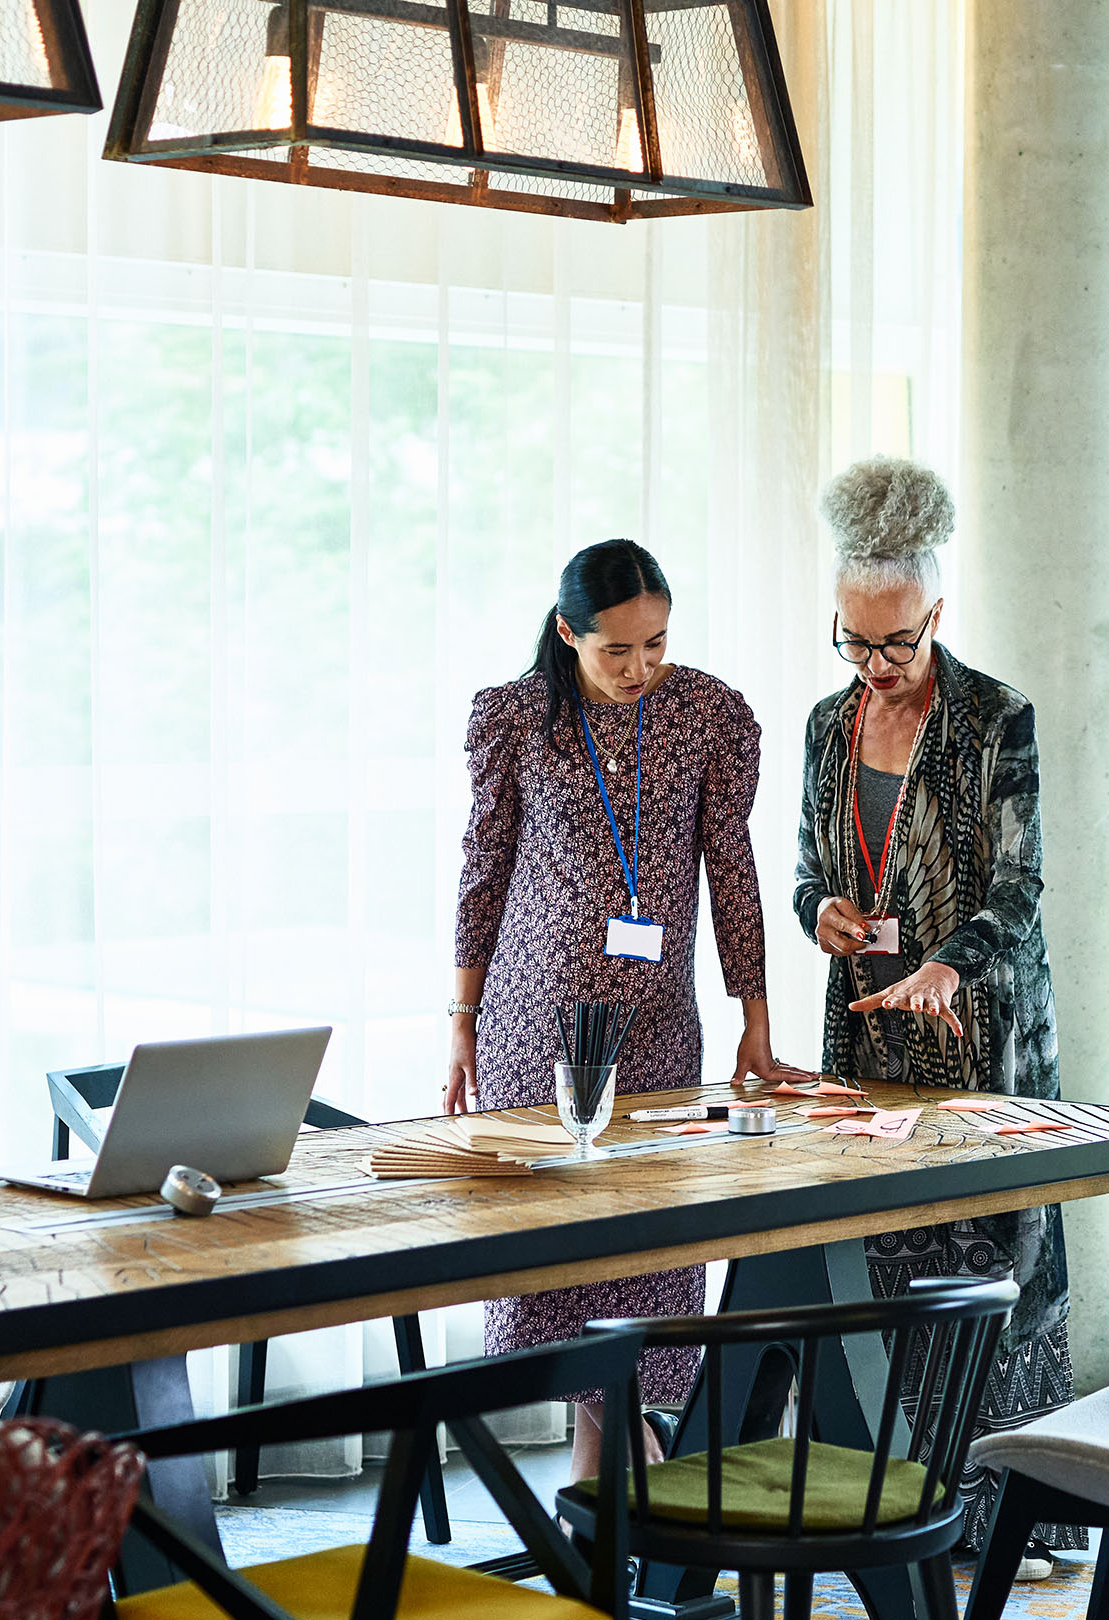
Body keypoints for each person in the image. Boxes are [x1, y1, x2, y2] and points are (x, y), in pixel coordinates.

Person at [447, 537, 805, 1483]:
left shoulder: (707, 714)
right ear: (569, 634)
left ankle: (607, 1479)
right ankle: (614, 1469)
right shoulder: (515, 719)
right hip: (535, 1027)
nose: (642, 669)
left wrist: (754, 1011)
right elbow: (483, 874)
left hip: (656, 1031)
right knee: (558, 1256)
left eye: (657, 645)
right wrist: (460, 1018)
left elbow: (732, 869)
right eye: (619, 651)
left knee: (649, 1250)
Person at [789, 458, 1079, 1576]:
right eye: (853, 644)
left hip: (979, 1035)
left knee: (999, 1267)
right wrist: (824, 913)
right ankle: (923, 1504)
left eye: (896, 646)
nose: (874, 667)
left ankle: (1024, 1513)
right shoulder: (827, 724)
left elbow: (1021, 886)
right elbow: (811, 863)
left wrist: (951, 967)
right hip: (870, 1036)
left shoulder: (997, 719)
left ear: (937, 615)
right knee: (899, 1273)